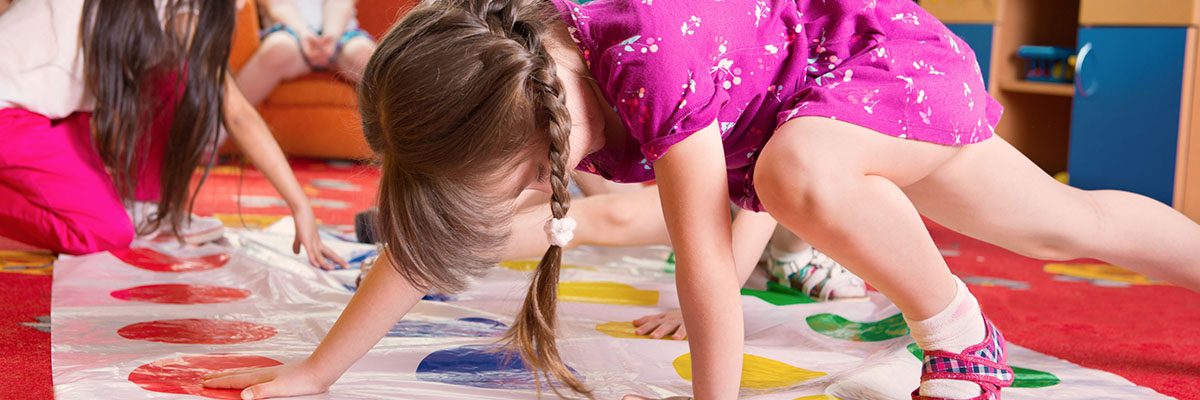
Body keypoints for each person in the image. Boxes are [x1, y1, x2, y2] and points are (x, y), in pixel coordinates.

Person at [203, 0, 1200, 399]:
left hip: (872, 61)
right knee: (1071, 222)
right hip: (807, 121)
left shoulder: (648, 61)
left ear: (535, 146)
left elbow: (709, 251)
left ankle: (961, 333)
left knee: (800, 175)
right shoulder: (522, 74)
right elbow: (429, 246)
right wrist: (315, 375)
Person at [0, 0, 348, 269]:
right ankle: (138, 208)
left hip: (43, 109)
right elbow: (238, 114)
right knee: (105, 231)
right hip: (9, 112)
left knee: (177, 70)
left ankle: (145, 204)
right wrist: (301, 205)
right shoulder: (185, 11)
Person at [235, 0, 377, 106]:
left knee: (365, 54)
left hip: (341, 34)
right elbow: (278, 5)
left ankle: (392, 135)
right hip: (291, 32)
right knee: (277, 49)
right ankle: (217, 131)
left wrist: (332, 36)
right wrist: (303, 32)